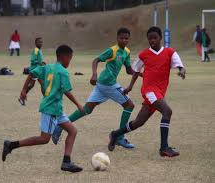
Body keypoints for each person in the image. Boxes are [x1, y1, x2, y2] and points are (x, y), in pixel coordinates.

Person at [2, 45, 84, 173]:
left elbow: (32, 72)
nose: (70, 61)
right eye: (70, 58)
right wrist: (78, 105)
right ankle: (11, 144)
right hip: (51, 108)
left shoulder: (47, 67)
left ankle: (66, 162)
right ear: (63, 57)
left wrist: (24, 90)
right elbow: (67, 91)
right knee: (44, 139)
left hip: (56, 108)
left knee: (72, 131)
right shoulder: (63, 71)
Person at [108, 26, 186, 157]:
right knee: (167, 111)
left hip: (160, 92)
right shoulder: (144, 55)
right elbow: (135, 70)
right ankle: (164, 148)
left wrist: (182, 71)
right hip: (149, 90)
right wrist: (130, 86)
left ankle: (115, 134)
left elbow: (179, 65)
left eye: (155, 38)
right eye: (150, 38)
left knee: (139, 122)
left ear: (160, 38)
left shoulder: (170, 52)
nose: (152, 40)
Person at [52, 27, 136, 148]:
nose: (124, 40)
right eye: (121, 38)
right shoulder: (112, 50)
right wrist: (94, 74)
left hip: (103, 84)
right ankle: (119, 137)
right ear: (117, 38)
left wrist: (140, 73)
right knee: (129, 105)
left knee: (87, 109)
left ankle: (60, 125)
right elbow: (96, 60)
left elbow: (128, 70)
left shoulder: (127, 52)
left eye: (126, 38)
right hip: (108, 84)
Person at [18, 37, 45, 105]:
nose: (40, 43)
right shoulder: (36, 50)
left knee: (32, 85)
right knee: (43, 84)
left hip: (38, 69)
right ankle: (46, 99)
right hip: (35, 70)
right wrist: (40, 63)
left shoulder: (39, 50)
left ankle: (21, 97)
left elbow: (40, 60)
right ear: (35, 43)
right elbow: (33, 60)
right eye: (39, 42)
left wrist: (42, 63)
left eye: (41, 42)